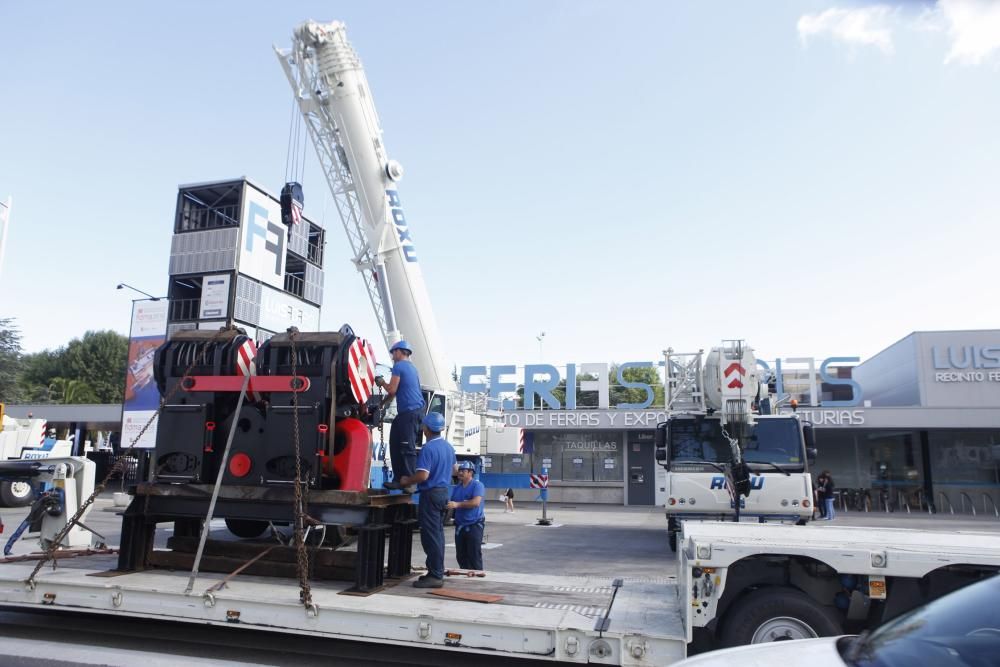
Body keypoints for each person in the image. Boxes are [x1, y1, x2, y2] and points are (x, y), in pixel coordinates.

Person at [394, 412, 456, 588]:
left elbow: (423, 475)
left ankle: (435, 576)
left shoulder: (428, 448)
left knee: (430, 536)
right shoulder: (448, 447)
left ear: (426, 428)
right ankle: (435, 571)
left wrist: (406, 480)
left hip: (430, 494)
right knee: (437, 534)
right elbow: (455, 470)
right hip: (444, 492)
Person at [376, 340, 425, 490]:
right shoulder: (412, 368)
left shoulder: (399, 366)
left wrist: (381, 382)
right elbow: (393, 393)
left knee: (406, 446)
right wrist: (381, 405)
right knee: (395, 442)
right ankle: (399, 479)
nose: (392, 356)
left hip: (410, 412)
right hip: (410, 412)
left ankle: (410, 482)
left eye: (393, 353)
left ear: (399, 352)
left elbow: (391, 389)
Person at [447, 461, 485, 571]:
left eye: (463, 471)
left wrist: (458, 504)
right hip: (460, 525)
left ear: (470, 473)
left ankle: (477, 576)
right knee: (461, 555)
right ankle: (465, 576)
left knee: (474, 554)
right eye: (459, 471)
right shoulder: (457, 488)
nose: (460, 473)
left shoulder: (477, 485)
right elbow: (452, 503)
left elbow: (475, 503)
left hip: (474, 525)